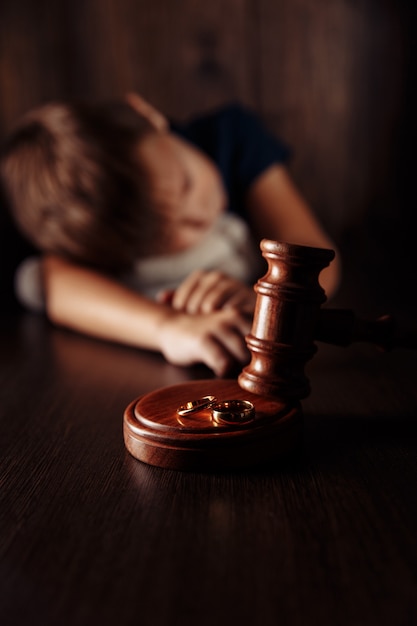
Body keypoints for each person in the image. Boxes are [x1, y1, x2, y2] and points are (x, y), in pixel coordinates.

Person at [0, 93, 341, 376]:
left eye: (186, 183)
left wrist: (268, 303)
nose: (199, 215)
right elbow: (56, 284)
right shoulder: (96, 230)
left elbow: (315, 256)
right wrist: (168, 327)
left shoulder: (232, 139)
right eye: (164, 236)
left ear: (148, 114)